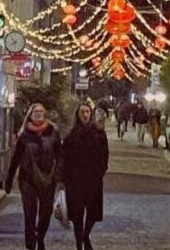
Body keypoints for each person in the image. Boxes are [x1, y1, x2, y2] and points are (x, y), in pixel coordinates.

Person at [5, 103, 62, 250]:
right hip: (27, 179)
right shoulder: (25, 134)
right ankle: (30, 244)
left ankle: (40, 237)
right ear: (30, 115)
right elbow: (16, 158)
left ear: (45, 114)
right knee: (29, 214)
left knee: (46, 213)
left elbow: (60, 156)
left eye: (41, 111)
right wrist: (9, 178)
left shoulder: (52, 132)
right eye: (35, 112)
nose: (38, 114)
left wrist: (58, 176)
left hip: (48, 178)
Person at [62, 103, 109, 250]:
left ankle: (85, 234)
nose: (85, 114)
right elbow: (65, 157)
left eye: (87, 111)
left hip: (93, 178)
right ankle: (79, 244)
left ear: (91, 113)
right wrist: (64, 178)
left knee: (93, 212)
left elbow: (104, 154)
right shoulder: (71, 134)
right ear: (77, 114)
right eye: (82, 112)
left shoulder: (99, 133)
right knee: (77, 213)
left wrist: (100, 171)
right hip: (75, 180)